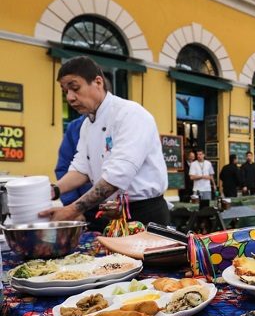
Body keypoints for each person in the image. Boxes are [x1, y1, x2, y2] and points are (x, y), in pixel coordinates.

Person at [40, 56, 169, 225]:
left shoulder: (130, 114)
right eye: (65, 92)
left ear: (98, 82)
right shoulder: (87, 124)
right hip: (109, 212)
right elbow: (81, 169)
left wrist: (72, 210)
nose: (70, 97)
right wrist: (53, 191)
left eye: (75, 88)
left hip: (143, 214)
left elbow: (117, 176)